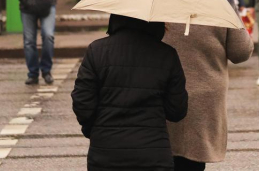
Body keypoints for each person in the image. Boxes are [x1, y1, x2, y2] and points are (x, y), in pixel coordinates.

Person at [71, 14, 188, 171]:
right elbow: (177, 111)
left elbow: (82, 102)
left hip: (105, 152)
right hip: (153, 154)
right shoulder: (167, 54)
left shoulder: (97, 50)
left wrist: (95, 130)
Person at [165, 0, 254, 171]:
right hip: (206, 96)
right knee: (193, 161)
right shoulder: (222, 6)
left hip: (166, 93)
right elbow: (241, 52)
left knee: (167, 155)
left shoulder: (163, 4)